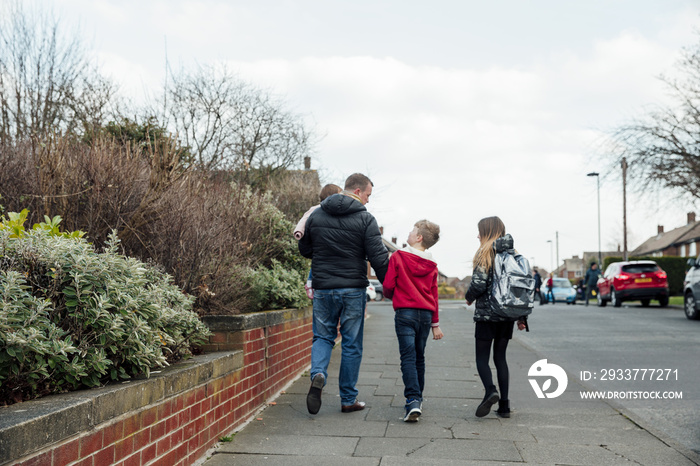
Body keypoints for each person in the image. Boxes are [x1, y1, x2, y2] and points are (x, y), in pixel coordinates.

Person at [298, 173, 389, 415]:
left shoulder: (316, 215)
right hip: (352, 289)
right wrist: (390, 286)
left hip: (324, 288)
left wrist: (325, 253)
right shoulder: (365, 218)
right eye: (368, 195)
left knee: (322, 337)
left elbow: (305, 248)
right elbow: (378, 257)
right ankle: (348, 399)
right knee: (351, 344)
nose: (368, 200)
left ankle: (318, 373)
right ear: (357, 191)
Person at [465, 216, 527, 418]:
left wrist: (469, 297)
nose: (477, 235)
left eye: (480, 231)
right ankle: (505, 406)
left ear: (487, 232)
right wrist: (522, 316)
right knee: (501, 358)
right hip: (507, 315)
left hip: (486, 315)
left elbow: (479, 283)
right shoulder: (514, 254)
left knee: (482, 358)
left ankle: (491, 390)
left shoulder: (484, 252)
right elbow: (521, 288)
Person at [382, 220, 444, 422]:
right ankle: (418, 398)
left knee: (407, 357)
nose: (409, 233)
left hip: (405, 313)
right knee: (419, 357)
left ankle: (413, 400)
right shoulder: (432, 265)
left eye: (412, 231)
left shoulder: (398, 257)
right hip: (425, 316)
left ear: (418, 238)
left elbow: (388, 285)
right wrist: (435, 324)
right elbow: (434, 296)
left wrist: (397, 296)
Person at [293, 183, 342, 299]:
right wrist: (299, 232)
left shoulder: (334, 212)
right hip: (320, 250)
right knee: (316, 262)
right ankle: (309, 283)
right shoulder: (316, 209)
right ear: (332, 197)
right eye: (340, 195)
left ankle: (310, 282)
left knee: (317, 261)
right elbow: (303, 220)